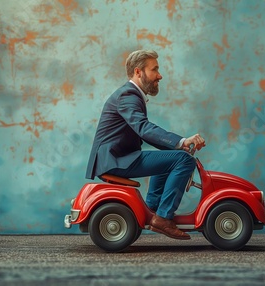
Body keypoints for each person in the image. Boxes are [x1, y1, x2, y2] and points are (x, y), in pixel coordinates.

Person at [85, 49, 205, 240]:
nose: (160, 75)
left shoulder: (131, 95)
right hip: (116, 160)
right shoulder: (128, 95)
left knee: (172, 155)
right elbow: (143, 128)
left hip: (119, 157)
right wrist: (182, 142)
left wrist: (177, 145)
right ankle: (163, 218)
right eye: (154, 69)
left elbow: (142, 131)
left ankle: (153, 208)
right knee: (184, 161)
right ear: (138, 72)